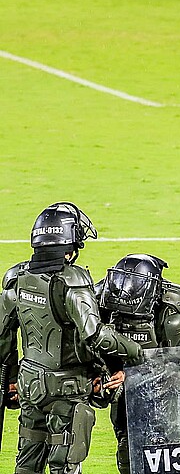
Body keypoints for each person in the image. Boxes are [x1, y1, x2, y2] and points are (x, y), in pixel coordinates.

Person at [0, 202, 144, 474]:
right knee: (65, 463)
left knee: (28, 462)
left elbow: (2, 337)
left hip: (29, 385)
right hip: (67, 389)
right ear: (68, 246)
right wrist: (136, 352)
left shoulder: (17, 278)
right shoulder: (72, 280)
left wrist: (8, 378)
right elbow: (95, 334)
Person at [95, 253, 180, 474]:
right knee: (125, 445)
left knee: (164, 450)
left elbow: (174, 367)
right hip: (122, 393)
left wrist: (129, 375)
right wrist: (104, 373)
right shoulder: (104, 301)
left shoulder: (173, 313)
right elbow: (94, 345)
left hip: (163, 393)